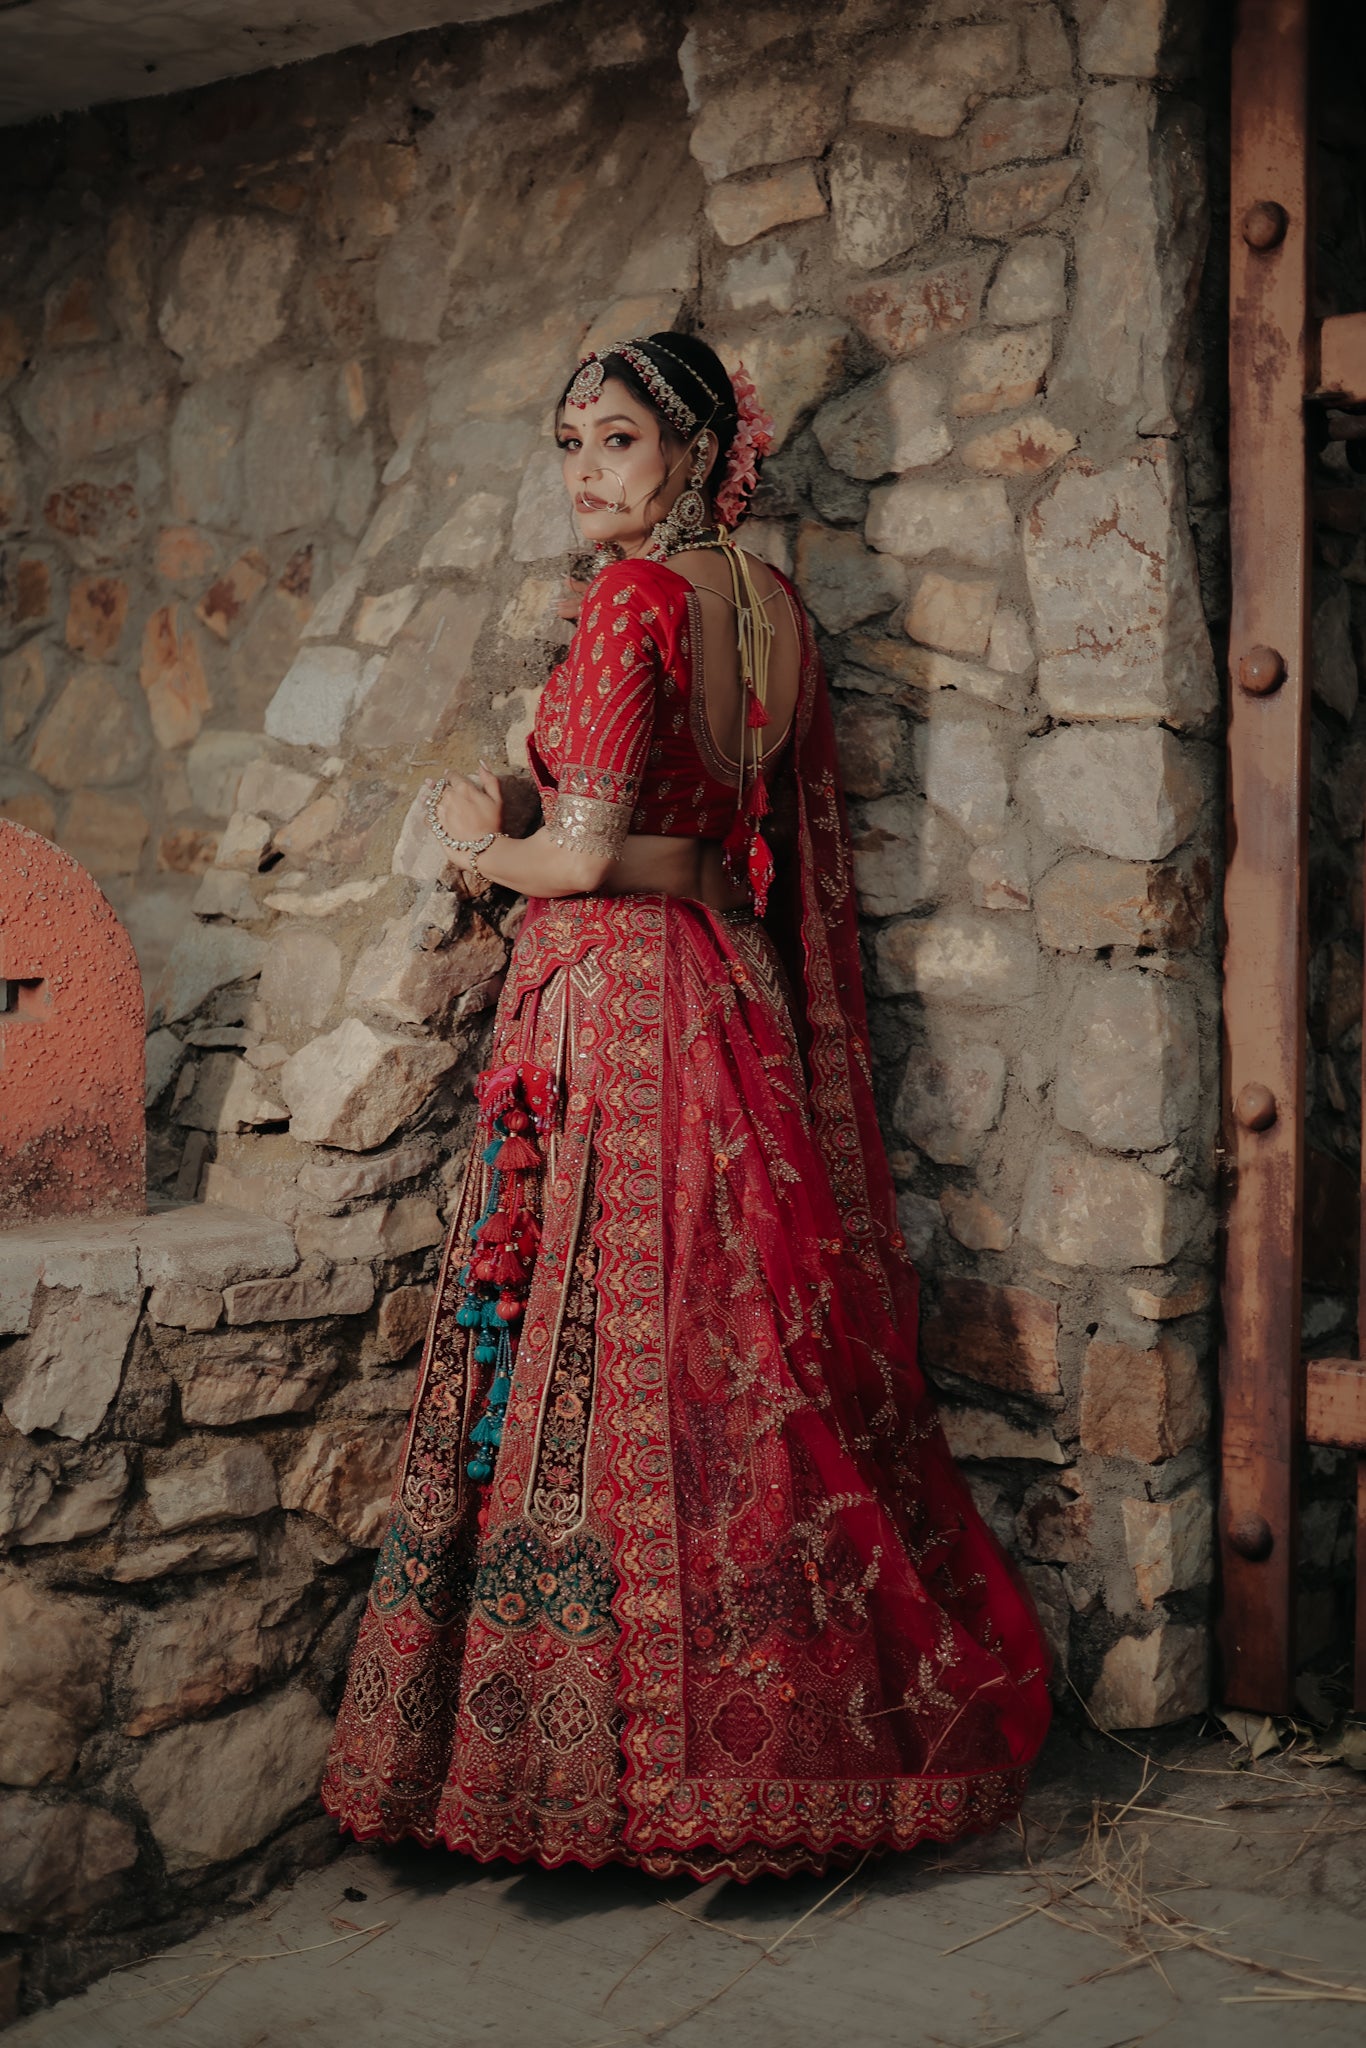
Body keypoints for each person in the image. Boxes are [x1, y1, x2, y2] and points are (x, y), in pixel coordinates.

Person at [320, 333, 1050, 1881]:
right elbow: (708, 833)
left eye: (615, 444)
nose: (586, 472)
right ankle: (798, 1737)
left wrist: (470, 841)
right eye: (571, 443)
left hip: (611, 1002)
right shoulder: (770, 608)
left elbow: (581, 858)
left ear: (696, 453)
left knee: (612, 1347)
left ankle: (594, 1773)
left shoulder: (635, 598)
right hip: (727, 991)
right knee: (742, 1357)